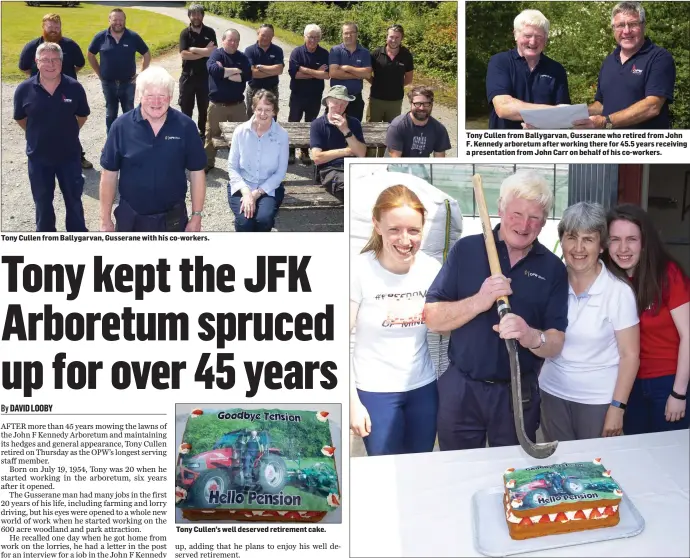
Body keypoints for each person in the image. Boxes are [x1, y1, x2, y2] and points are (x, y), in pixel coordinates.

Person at [425, 170, 568, 450]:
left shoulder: (552, 268)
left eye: (535, 217)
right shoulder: (466, 250)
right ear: (500, 208)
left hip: (517, 392)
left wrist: (530, 336)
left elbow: (555, 343)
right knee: (458, 471)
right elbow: (432, 319)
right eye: (516, 213)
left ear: (544, 221)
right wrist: (480, 300)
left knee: (512, 472)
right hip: (462, 387)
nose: (524, 225)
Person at [350, 185, 442, 455]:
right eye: (395, 230)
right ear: (377, 225)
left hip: (422, 389)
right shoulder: (359, 271)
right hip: (375, 392)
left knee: (419, 467)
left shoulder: (431, 269)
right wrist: (352, 403)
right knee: (384, 472)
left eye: (413, 230)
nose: (405, 240)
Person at [538, 202, 640, 442]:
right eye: (571, 237)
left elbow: (630, 355)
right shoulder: (550, 283)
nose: (579, 248)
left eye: (588, 239)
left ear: (602, 245)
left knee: (594, 471)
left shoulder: (618, 291)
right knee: (559, 468)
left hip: (597, 401)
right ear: (561, 241)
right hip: (552, 393)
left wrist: (617, 407)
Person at [604, 204, 689, 433]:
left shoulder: (667, 274)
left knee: (669, 457)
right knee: (637, 454)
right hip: (630, 385)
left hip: (668, 381)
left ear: (644, 242)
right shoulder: (609, 280)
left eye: (631, 239)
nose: (623, 248)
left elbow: (688, 336)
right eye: (615, 239)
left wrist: (678, 393)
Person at [99, 66, 207, 232]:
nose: (156, 102)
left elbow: (197, 172)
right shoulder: (121, 126)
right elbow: (109, 175)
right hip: (131, 218)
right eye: (150, 96)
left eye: (162, 96)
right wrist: (105, 220)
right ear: (139, 96)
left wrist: (197, 216)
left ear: (170, 97)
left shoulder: (186, 126)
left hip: (173, 218)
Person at [13, 42, 89, 232]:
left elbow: (82, 116)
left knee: (74, 201)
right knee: (42, 203)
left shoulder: (74, 87)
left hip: (69, 156)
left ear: (62, 62)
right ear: (36, 62)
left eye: (55, 59)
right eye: (45, 60)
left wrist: (67, 132)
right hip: (39, 158)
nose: (51, 64)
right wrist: (38, 134)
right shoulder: (23, 90)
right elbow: (21, 119)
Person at [574, 2, 676, 129]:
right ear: (613, 29)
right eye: (620, 25)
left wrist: (606, 122)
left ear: (643, 25)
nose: (626, 31)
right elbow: (601, 105)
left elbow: (652, 106)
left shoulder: (659, 57)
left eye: (633, 24)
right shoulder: (609, 62)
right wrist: (575, 114)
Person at [19, 13, 92, 169]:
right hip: (40, 95)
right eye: (50, 27)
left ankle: (78, 156)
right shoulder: (32, 47)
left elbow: (79, 65)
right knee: (41, 128)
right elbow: (24, 68)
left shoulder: (71, 45)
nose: (54, 30)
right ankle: (41, 159)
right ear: (43, 27)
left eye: (57, 27)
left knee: (70, 128)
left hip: (67, 94)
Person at [486, 9, 570, 129]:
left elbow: (565, 117)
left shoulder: (556, 69)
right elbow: (504, 107)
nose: (533, 41)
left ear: (546, 38)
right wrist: (552, 112)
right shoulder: (500, 62)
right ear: (515, 35)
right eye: (527, 35)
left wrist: (543, 124)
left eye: (539, 36)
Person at [228, 90, 288, 232]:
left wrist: (255, 194)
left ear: (274, 111)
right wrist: (246, 193)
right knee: (244, 222)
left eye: (268, 110)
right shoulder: (240, 131)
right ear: (253, 109)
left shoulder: (282, 135)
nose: (263, 114)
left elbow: (280, 173)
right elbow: (232, 167)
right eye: (259, 109)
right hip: (242, 185)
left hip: (269, 188)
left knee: (264, 220)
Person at [88, 8, 150, 134]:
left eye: (121, 20)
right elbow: (90, 55)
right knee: (110, 114)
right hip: (108, 83)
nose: (118, 22)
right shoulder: (100, 37)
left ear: (125, 20)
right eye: (115, 19)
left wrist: (141, 74)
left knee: (129, 112)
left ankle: (129, 140)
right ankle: (111, 141)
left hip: (128, 83)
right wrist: (99, 73)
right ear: (109, 20)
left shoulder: (133, 37)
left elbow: (147, 54)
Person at [204, 29, 251, 173]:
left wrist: (224, 72)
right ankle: (207, 163)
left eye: (236, 40)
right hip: (218, 106)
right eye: (230, 40)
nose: (233, 43)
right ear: (223, 40)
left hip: (237, 106)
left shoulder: (242, 57)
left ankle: (242, 165)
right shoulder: (216, 54)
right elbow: (214, 70)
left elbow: (247, 75)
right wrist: (236, 70)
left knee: (242, 137)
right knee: (212, 135)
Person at [309, 85, 366, 202]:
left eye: (344, 104)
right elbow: (317, 158)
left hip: (354, 167)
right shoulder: (317, 124)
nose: (339, 107)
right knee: (351, 189)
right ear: (328, 102)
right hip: (330, 169)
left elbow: (361, 153)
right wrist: (347, 151)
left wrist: (345, 130)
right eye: (336, 102)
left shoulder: (354, 123)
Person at [287, 24, 329, 165]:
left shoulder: (324, 54)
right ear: (305, 37)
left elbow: (326, 75)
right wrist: (316, 72)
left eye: (316, 37)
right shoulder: (297, 52)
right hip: (298, 94)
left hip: (315, 96)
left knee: (310, 124)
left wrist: (305, 70)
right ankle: (291, 150)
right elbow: (295, 75)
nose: (313, 40)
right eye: (310, 37)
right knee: (293, 122)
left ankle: (304, 151)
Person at [178, 3, 217, 138]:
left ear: (202, 16)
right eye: (193, 14)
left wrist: (193, 49)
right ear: (189, 16)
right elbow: (184, 54)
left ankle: (202, 133)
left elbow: (213, 52)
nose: (196, 17)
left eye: (199, 14)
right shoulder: (185, 33)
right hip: (188, 77)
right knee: (186, 107)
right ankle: (187, 133)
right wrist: (205, 52)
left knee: (204, 108)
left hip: (205, 77)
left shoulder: (210, 32)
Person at [386, 86, 451, 158]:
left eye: (426, 104)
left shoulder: (439, 129)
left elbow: (439, 161)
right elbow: (396, 161)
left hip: (421, 167)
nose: (422, 108)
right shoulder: (398, 126)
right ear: (411, 104)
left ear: (432, 105)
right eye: (417, 104)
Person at [367, 24, 414, 123]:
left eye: (397, 37)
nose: (394, 40)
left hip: (395, 101)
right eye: (391, 37)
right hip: (376, 100)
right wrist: (376, 83)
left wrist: (395, 85)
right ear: (386, 37)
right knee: (372, 129)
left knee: (392, 130)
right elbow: (367, 74)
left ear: (402, 38)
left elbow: (409, 79)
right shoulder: (376, 53)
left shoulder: (406, 55)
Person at [328, 23, 372, 122]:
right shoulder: (335, 50)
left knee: (354, 129)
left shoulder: (364, 52)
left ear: (357, 34)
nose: (349, 36)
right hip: (337, 98)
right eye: (346, 33)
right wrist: (357, 75)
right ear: (342, 35)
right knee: (334, 127)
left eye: (352, 33)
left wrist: (347, 68)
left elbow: (367, 74)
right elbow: (333, 73)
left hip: (356, 98)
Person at [244, 24, 284, 119]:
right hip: (254, 89)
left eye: (269, 36)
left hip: (272, 89)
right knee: (252, 117)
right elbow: (253, 73)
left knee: (271, 117)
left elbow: (279, 70)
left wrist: (260, 67)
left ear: (273, 36)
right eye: (263, 35)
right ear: (258, 34)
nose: (266, 38)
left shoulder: (277, 50)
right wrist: (272, 71)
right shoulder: (249, 50)